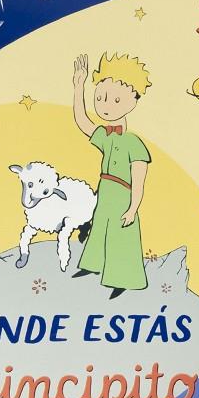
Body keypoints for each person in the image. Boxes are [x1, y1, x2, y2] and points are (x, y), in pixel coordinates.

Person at [72, 52, 152, 299]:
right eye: (100, 98)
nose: (106, 105)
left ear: (134, 100)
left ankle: (124, 279)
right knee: (99, 230)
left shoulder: (134, 143)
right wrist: (78, 86)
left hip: (122, 195)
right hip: (105, 191)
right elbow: (83, 122)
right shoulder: (107, 137)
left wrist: (133, 208)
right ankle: (93, 265)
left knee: (121, 235)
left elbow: (139, 180)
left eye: (116, 100)